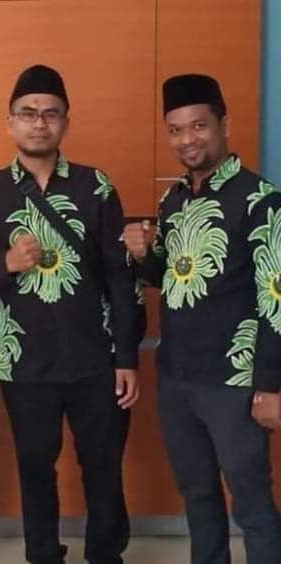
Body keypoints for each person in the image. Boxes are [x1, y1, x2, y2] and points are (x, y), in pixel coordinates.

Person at [0, 64, 144, 564]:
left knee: (102, 466)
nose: (39, 123)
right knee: (34, 467)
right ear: (10, 122)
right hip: (22, 360)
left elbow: (121, 276)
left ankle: (105, 554)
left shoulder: (95, 186)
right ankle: (42, 554)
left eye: (50, 113)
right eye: (28, 113)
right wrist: (6, 263)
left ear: (65, 121)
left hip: (94, 356)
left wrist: (127, 357)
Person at [123, 73, 281, 564]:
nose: (187, 139)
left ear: (223, 125)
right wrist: (144, 256)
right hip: (177, 377)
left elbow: (276, 298)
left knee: (252, 504)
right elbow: (170, 278)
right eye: (175, 130)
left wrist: (271, 387)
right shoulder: (173, 201)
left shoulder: (261, 200)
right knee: (197, 495)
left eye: (198, 126)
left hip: (235, 382)